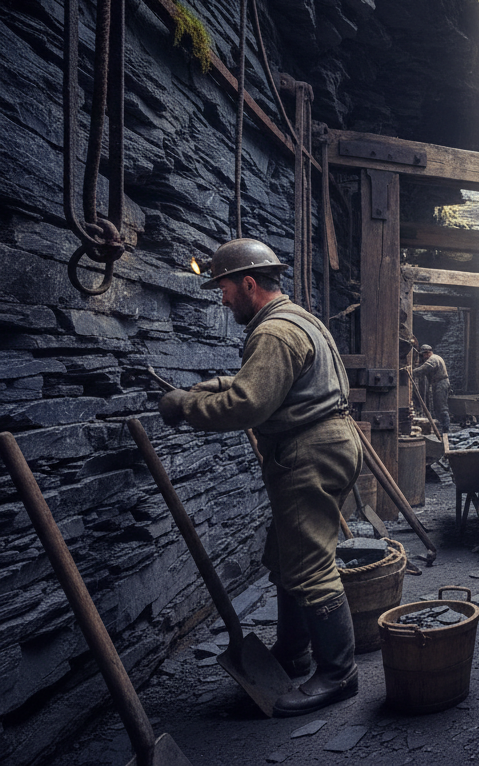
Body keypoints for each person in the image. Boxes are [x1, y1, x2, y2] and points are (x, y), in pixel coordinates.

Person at [157, 238, 361, 718]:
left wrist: (185, 405)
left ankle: (338, 674)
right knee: (287, 553)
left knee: (309, 564)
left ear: (249, 284)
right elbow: (262, 381)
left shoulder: (273, 334)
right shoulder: (297, 319)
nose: (222, 298)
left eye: (225, 288)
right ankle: (294, 653)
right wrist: (213, 385)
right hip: (327, 443)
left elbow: (249, 403)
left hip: (306, 452)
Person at [412, 344, 452, 431]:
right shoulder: (435, 358)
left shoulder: (433, 359)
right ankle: (442, 427)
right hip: (438, 384)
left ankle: (445, 429)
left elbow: (424, 369)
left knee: (441, 406)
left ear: (428, 353)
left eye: (424, 355)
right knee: (437, 406)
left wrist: (411, 371)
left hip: (441, 383)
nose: (424, 357)